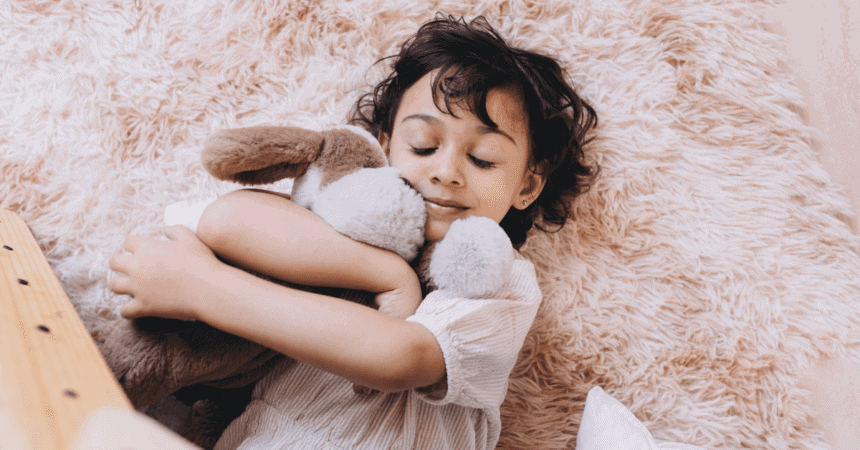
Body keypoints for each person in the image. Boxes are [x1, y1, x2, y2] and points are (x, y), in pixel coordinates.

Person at [108, 15, 598, 450]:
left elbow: (398, 356)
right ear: (385, 145)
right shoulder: (353, 222)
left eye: (482, 158)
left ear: (528, 184)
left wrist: (201, 288)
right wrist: (383, 271)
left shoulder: (499, 279)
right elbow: (226, 220)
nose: (446, 171)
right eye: (423, 145)